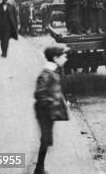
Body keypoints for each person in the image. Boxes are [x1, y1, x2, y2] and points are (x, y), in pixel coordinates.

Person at [33, 45, 69, 174]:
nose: (66, 59)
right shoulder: (46, 74)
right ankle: (39, 168)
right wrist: (52, 103)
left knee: (47, 138)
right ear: (55, 58)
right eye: (64, 56)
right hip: (45, 111)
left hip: (48, 110)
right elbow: (39, 94)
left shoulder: (54, 70)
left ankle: (40, 165)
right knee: (45, 138)